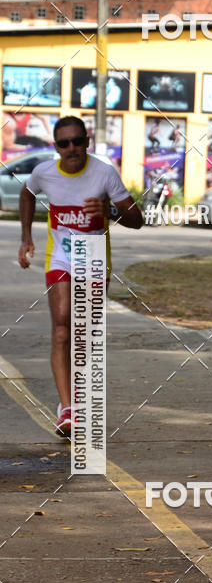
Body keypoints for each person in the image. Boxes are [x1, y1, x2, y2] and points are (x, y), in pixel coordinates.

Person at [17, 115, 143, 436]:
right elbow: (27, 194)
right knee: (61, 329)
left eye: (77, 141)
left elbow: (137, 219)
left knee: (82, 334)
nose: (72, 148)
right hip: (59, 257)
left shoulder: (104, 173)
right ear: (56, 146)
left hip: (94, 259)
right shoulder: (44, 172)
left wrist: (109, 211)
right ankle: (68, 408)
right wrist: (26, 237)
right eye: (64, 143)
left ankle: (81, 398)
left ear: (87, 142)